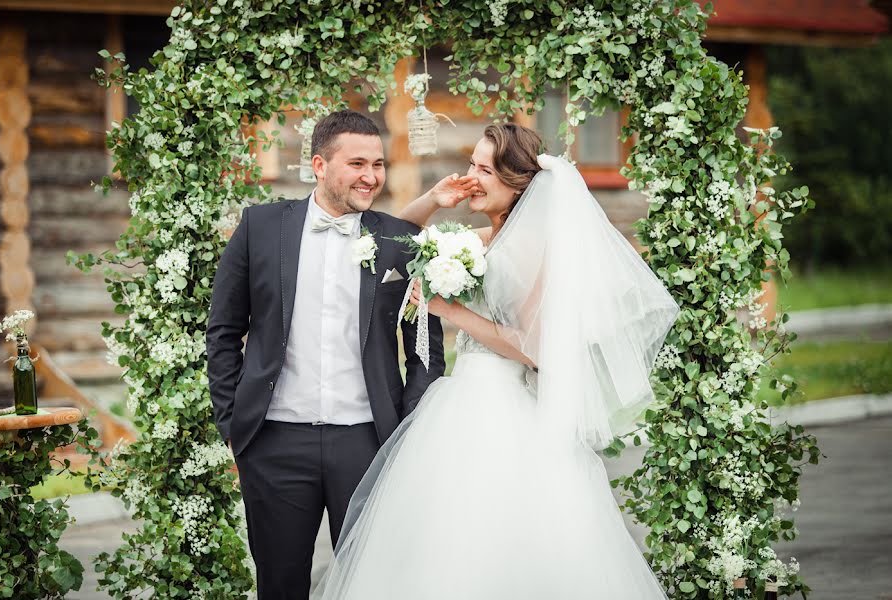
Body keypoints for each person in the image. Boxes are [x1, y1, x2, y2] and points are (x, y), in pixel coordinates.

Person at [313, 123, 681, 599]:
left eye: (485, 169)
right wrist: (433, 198)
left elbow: (535, 348)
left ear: (517, 184)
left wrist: (453, 312)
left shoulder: (533, 248)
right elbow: (395, 238)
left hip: (504, 407)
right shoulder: (480, 238)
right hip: (462, 397)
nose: (472, 177)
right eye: (472, 164)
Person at [206, 110, 463, 600]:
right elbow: (222, 332)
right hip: (275, 443)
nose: (371, 176)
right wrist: (234, 425)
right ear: (319, 165)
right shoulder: (259, 227)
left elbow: (425, 351)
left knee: (372, 585)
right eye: (357, 163)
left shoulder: (400, 240)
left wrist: (406, 433)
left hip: (367, 443)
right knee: (280, 587)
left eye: (379, 164)